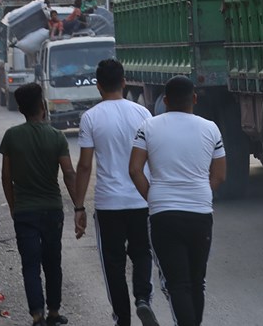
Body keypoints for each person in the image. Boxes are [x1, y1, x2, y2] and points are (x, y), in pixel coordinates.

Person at [129, 75, 226, 326]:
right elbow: (220, 174)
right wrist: (203, 194)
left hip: (164, 214)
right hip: (200, 213)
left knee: (177, 283)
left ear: (165, 100)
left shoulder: (148, 127)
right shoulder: (211, 128)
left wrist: (153, 198)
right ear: (194, 98)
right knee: (197, 282)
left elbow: (135, 169)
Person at [74, 59, 160, 326]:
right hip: (140, 199)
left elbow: (85, 165)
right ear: (124, 82)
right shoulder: (143, 114)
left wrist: (79, 207)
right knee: (143, 252)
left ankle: (122, 318)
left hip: (108, 203)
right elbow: (154, 158)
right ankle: (143, 298)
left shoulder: (90, 117)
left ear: (98, 86)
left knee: (112, 264)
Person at [0, 82, 85, 326]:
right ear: (43, 106)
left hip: (25, 211)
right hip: (52, 210)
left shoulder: (12, 136)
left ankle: (37, 315)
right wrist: (79, 206)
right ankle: (54, 312)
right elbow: (69, 173)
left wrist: (13, 206)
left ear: (21, 109)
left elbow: (6, 176)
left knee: (30, 265)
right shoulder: (56, 136)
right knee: (52, 262)